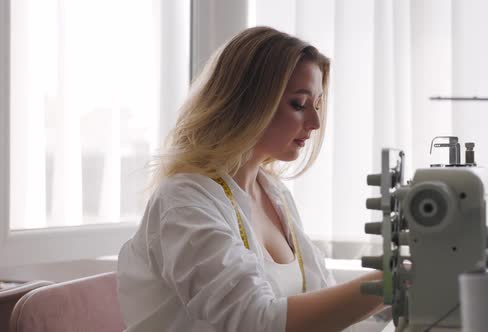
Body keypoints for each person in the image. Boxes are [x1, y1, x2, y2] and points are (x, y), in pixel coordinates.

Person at [117, 26, 386, 332]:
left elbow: (320, 300)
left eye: (318, 105)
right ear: (248, 102)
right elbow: (254, 322)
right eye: (298, 104)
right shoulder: (183, 201)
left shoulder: (274, 194)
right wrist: (387, 284)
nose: (314, 122)